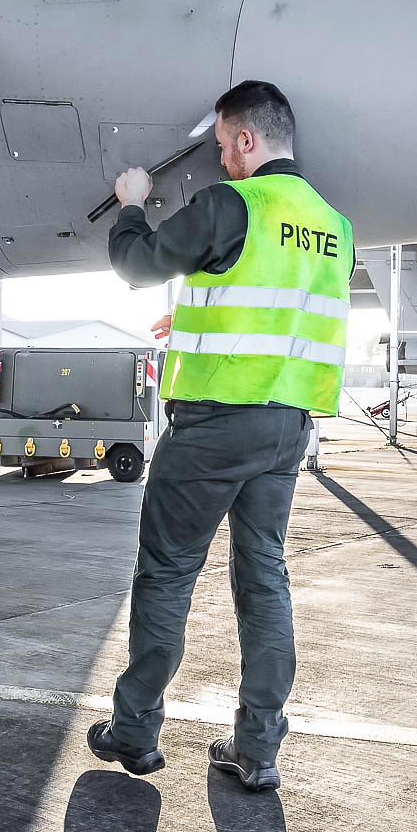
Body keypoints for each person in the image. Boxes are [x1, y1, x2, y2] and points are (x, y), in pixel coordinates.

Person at [85, 80, 352, 794]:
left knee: (168, 573)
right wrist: (199, 322)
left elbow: (136, 265)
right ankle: (257, 746)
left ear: (246, 139)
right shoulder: (334, 226)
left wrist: (132, 202)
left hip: (213, 428)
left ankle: (135, 730)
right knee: (264, 579)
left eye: (223, 146)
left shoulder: (234, 203)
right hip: (288, 427)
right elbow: (282, 309)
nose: (220, 160)